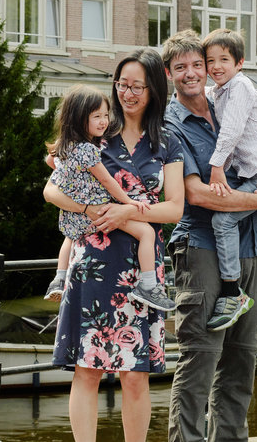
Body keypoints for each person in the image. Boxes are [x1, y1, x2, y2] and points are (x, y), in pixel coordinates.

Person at [47, 48, 184, 442]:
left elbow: (175, 209)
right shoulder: (93, 131)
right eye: (121, 84)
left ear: (153, 90)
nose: (126, 93)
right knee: (86, 372)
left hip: (142, 268)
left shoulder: (168, 142)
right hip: (93, 263)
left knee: (136, 376)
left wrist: (127, 209)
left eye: (136, 86)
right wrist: (90, 210)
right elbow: (51, 189)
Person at [160, 30, 257, 442]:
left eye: (199, 64)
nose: (194, 73)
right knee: (202, 353)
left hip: (251, 242)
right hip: (202, 248)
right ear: (170, 75)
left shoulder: (227, 100)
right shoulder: (171, 124)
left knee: (242, 353)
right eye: (182, 68)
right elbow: (195, 194)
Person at [43, 84, 175, 312]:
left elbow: (52, 165)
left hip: (72, 214)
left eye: (106, 115)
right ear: (79, 119)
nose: (104, 121)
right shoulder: (88, 150)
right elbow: (107, 181)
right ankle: (148, 285)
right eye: (97, 117)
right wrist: (129, 202)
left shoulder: (64, 147)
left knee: (69, 237)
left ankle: (59, 278)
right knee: (146, 232)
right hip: (99, 210)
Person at [201, 28, 257, 331]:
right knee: (256, 224)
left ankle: (231, 292)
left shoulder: (240, 87)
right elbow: (199, 95)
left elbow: (232, 132)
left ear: (239, 63)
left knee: (223, 221)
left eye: (223, 59)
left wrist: (216, 167)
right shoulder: (218, 91)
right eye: (210, 60)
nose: (216, 67)